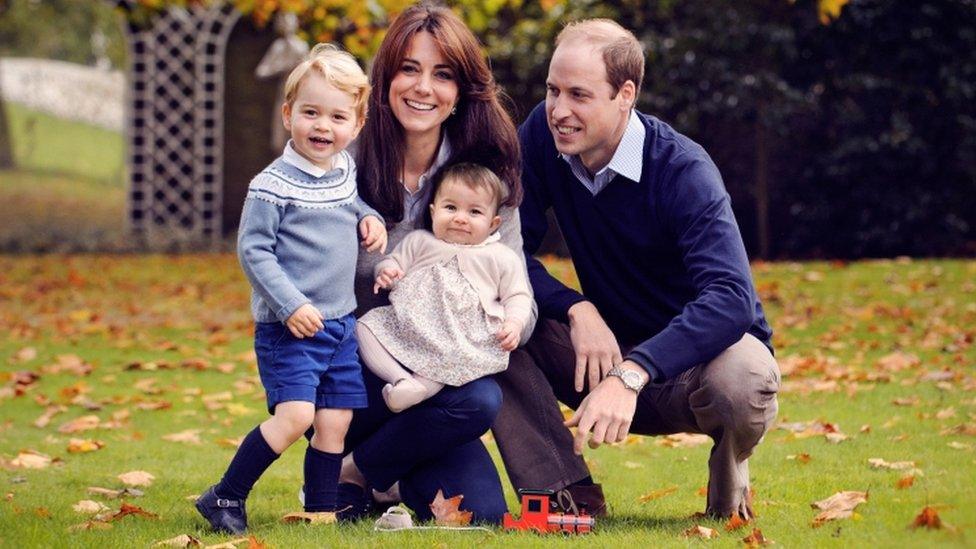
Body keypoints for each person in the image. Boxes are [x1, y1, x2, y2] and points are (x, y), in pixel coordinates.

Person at [492, 19, 781, 520]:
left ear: (625, 94)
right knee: (491, 317)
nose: (559, 111)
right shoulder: (542, 134)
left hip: (692, 369)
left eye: (579, 95)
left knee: (747, 376)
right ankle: (566, 493)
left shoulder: (683, 170)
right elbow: (501, 250)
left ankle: (728, 491)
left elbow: (732, 297)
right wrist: (576, 307)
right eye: (552, 90)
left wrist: (633, 371)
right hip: (599, 354)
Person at [327, 2, 537, 524]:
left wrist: (493, 326)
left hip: (442, 384)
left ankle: (358, 473)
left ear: (461, 91)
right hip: (355, 373)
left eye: (442, 75)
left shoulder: (485, 181)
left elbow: (518, 291)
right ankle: (369, 466)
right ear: (385, 77)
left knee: (482, 509)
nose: (423, 88)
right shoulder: (341, 165)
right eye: (409, 69)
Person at [195, 43, 387, 534]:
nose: (323, 126)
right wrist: (290, 304)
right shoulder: (271, 185)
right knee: (296, 415)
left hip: (340, 323)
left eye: (337, 116)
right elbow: (253, 251)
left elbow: (352, 205)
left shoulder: (343, 170)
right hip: (291, 327)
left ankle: (320, 511)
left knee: (335, 423)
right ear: (288, 115)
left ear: (357, 124)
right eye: (311, 113)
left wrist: (369, 218)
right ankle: (224, 496)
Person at [358, 163, 533, 413]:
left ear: (493, 223)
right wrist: (386, 272)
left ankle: (418, 388)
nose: (460, 218)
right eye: (450, 208)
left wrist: (514, 324)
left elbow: (517, 295)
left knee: (449, 359)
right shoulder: (420, 242)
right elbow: (393, 263)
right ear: (433, 211)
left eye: (474, 212)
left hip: (460, 336)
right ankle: (402, 380)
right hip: (410, 324)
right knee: (364, 328)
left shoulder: (500, 257)